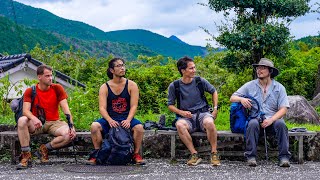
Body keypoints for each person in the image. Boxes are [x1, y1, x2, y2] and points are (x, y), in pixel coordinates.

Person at [230, 58, 291, 167]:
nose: (259, 70)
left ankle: (284, 157)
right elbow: (232, 97)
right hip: (256, 118)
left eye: (262, 68)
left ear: (270, 71)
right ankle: (251, 156)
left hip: (273, 120)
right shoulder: (250, 85)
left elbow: (283, 109)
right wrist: (241, 99)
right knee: (252, 124)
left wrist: (271, 120)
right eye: (258, 68)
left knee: (281, 124)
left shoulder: (279, 88)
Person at [16, 65, 76, 170]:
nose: (50, 78)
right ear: (39, 77)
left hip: (54, 123)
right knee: (22, 120)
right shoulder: (30, 91)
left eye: (51, 75)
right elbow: (25, 111)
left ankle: (45, 149)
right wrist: (34, 118)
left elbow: (66, 109)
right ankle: (26, 155)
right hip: (37, 124)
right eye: (47, 76)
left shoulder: (57, 88)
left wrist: (71, 126)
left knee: (69, 135)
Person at [87, 57, 145, 165]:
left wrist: (128, 120)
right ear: (112, 70)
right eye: (119, 66)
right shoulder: (105, 87)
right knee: (94, 126)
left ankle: (135, 154)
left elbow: (134, 105)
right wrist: (109, 120)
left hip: (126, 118)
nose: (122, 68)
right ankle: (97, 154)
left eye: (123, 65)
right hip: (110, 118)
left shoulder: (132, 85)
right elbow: (102, 108)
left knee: (139, 128)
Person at [167, 56, 220, 166]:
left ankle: (214, 153)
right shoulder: (174, 86)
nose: (194, 70)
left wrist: (215, 109)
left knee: (209, 123)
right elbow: (170, 105)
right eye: (191, 68)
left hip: (203, 113)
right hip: (186, 117)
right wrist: (181, 113)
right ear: (183, 70)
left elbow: (214, 91)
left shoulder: (199, 81)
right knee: (180, 125)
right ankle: (194, 154)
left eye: (194, 67)